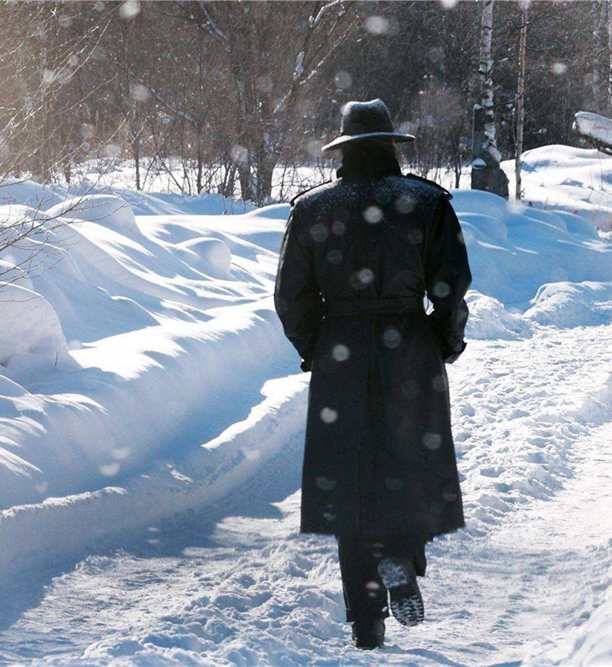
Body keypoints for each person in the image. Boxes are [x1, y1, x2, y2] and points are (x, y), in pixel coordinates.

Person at [274, 99, 471, 650]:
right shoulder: (427, 203)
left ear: (343, 148)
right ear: (390, 145)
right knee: (408, 459)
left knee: (350, 480)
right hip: (410, 345)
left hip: (342, 350)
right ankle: (401, 556)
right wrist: (443, 341)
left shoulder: (312, 209)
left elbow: (290, 296)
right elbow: (451, 286)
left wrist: (319, 347)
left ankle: (365, 618)